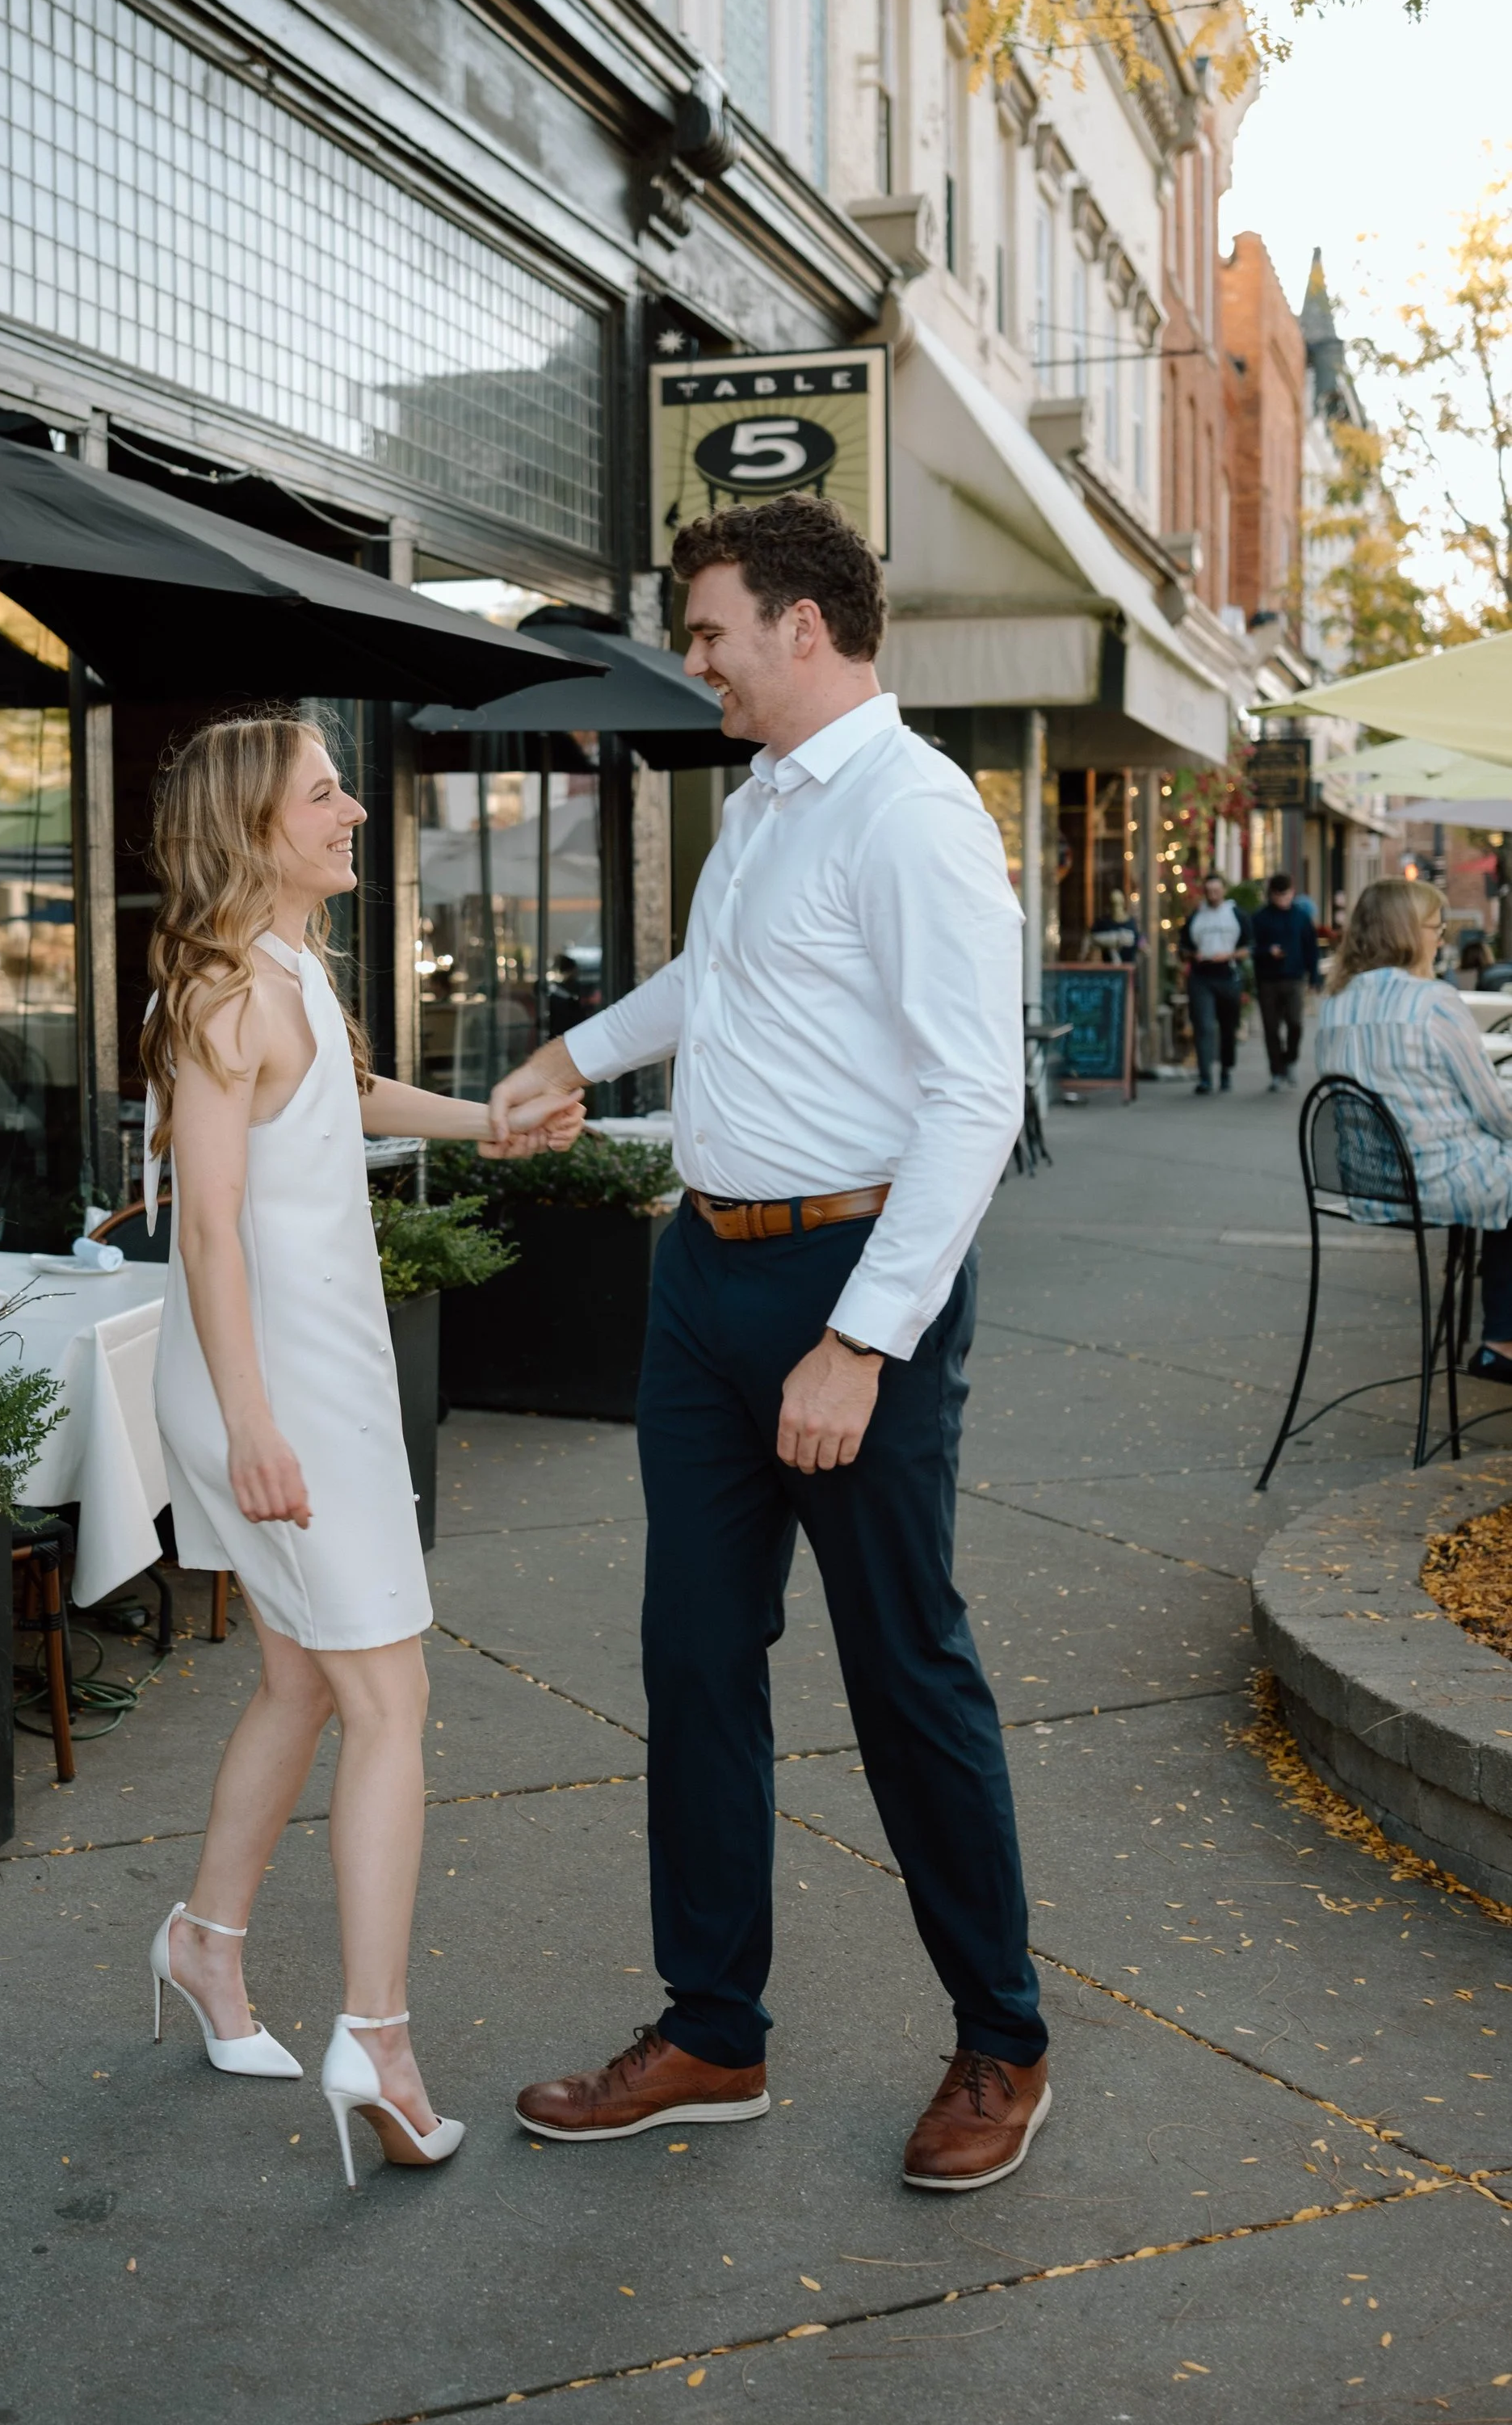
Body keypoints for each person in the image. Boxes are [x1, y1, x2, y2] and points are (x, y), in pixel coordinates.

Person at [489, 493, 1048, 2192]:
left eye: (714, 628)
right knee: (690, 1658)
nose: (698, 659)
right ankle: (711, 2027)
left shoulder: (912, 813)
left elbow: (972, 1101)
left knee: (902, 1669)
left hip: (843, 1294)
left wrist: (861, 1343)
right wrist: (576, 1053)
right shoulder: (762, 805)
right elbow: (711, 988)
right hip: (702, 1287)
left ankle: (1002, 2038)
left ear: (804, 626)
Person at [141, 711, 584, 2185]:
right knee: (389, 1701)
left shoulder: (290, 973)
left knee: (300, 1679)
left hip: (312, 1379)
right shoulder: (217, 990)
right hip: (275, 1394)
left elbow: (348, 1093)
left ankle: (206, 1944)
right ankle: (378, 2044)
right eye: (324, 793)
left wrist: (488, 1120)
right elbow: (204, 1222)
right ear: (256, 829)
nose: (352, 810)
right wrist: (257, 1423)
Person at [1313, 876, 1512, 1383]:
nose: (1441, 937)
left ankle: (1499, 1334)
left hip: (1369, 1185)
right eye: (1435, 927)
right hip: (1437, 1181)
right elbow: (1494, 1113)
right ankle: (1500, 1340)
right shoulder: (1432, 1001)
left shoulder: (1333, 1005)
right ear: (1406, 932)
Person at [1250, 869, 1321, 1091]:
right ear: (1271, 895)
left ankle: (1290, 1060)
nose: (1283, 899)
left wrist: (1315, 976)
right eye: (1279, 895)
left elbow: (1311, 947)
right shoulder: (1260, 918)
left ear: (1292, 893)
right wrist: (1267, 952)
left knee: (1295, 1023)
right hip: (1268, 979)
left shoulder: (1301, 917)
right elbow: (1251, 948)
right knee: (1271, 1028)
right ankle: (1277, 1072)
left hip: (1294, 978)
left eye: (1287, 895)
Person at [1180, 871, 1248, 1095]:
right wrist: (1192, 955)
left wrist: (1228, 956)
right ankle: (1205, 1076)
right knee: (1204, 1026)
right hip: (1202, 977)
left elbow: (1248, 948)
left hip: (1227, 975)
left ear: (1223, 891)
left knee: (1228, 1028)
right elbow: (1184, 947)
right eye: (1209, 891)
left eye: (1216, 891)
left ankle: (1226, 1071)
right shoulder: (1197, 916)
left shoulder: (1236, 915)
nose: (1213, 895)